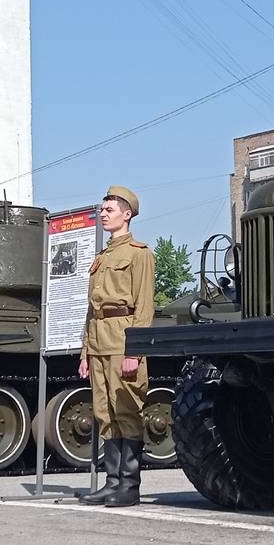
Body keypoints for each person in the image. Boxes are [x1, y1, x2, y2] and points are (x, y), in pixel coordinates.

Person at [79, 186, 155, 507]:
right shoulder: (102, 257)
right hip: (98, 341)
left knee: (127, 411)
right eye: (102, 208)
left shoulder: (140, 254)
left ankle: (129, 486)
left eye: (109, 209)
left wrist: (134, 351)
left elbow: (145, 306)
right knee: (104, 413)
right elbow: (91, 309)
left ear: (127, 214)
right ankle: (112, 483)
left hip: (123, 339)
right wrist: (85, 352)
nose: (103, 213)